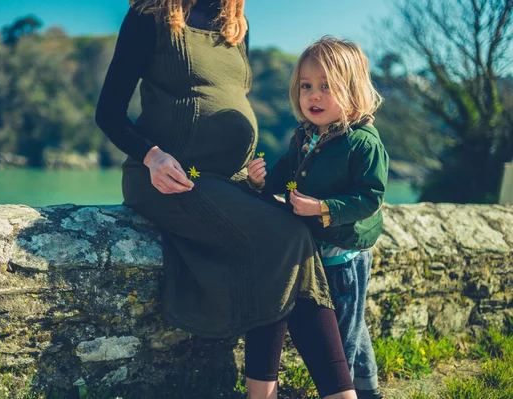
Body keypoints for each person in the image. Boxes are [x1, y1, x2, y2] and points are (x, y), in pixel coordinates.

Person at [95, 2, 356, 398]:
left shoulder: (235, 24)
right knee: (283, 237)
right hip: (172, 178)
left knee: (292, 236)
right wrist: (152, 156)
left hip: (227, 180)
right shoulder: (151, 16)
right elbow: (109, 112)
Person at [247, 36, 389, 399]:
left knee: (343, 336)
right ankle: (367, 387)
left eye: (327, 87)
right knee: (352, 328)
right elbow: (286, 176)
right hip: (318, 251)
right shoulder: (306, 136)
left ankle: (359, 390)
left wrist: (323, 209)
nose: (314, 96)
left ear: (353, 90)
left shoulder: (363, 143)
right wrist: (261, 182)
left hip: (343, 257)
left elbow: (369, 198)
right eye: (307, 86)